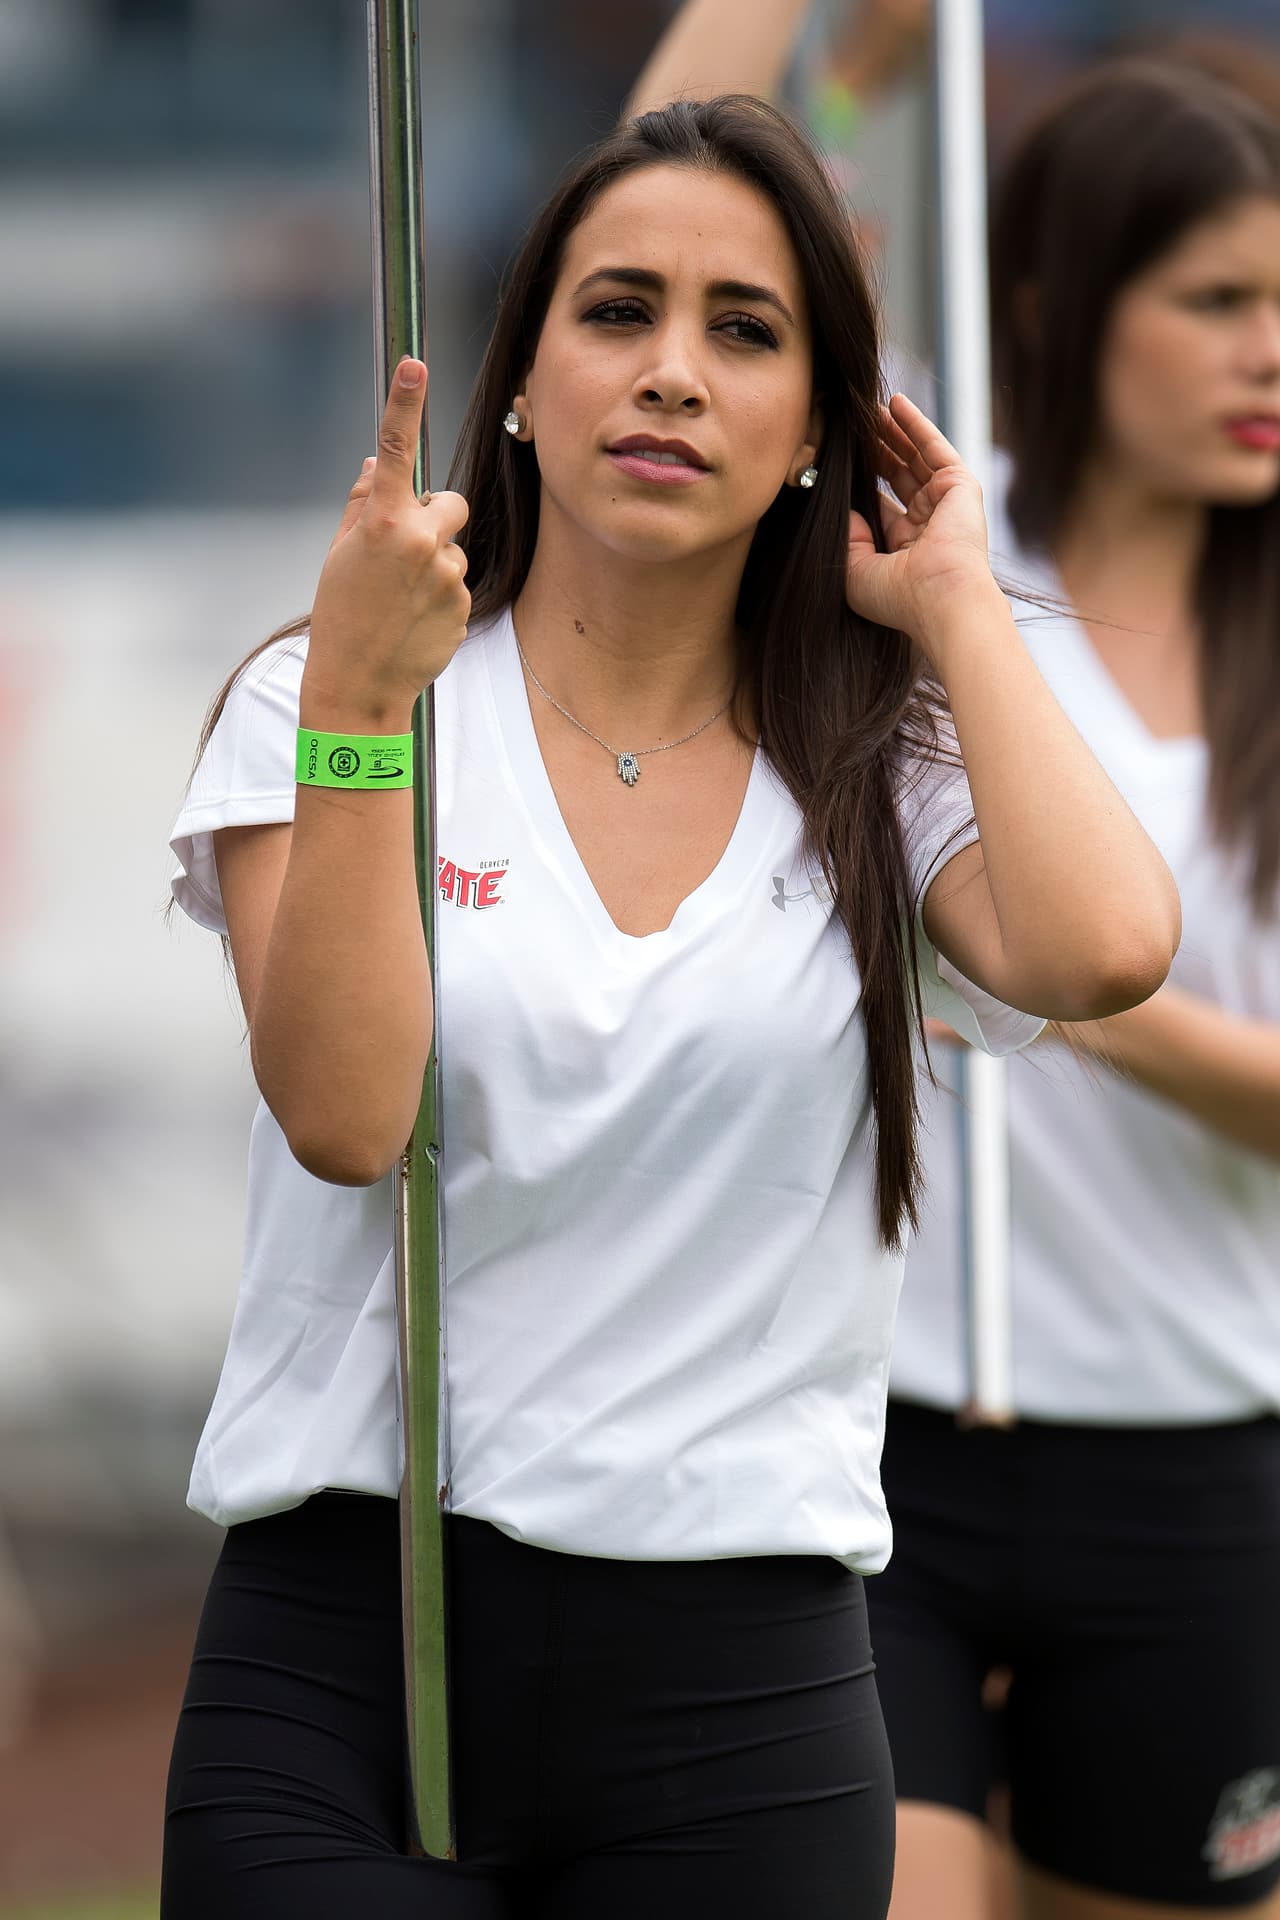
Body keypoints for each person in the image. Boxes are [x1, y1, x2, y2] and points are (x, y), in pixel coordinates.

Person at [160, 96, 1177, 1919]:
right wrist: (361, 721)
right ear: (525, 375)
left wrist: (953, 601)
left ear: (819, 429)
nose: (676, 375)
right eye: (618, 311)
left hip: (741, 1705)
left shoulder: (880, 756)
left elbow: (1105, 948)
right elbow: (342, 1114)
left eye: (747, 331)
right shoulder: (333, 698)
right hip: (348, 1657)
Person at [875, 61, 1280, 1920]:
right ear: (1053, 304)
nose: (1267, 351)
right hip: (876, 1442)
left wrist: (1060, 984)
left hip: (1202, 1461)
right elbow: (659, 159)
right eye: (1216, 299)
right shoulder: (930, 566)